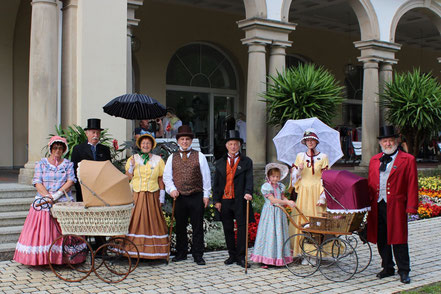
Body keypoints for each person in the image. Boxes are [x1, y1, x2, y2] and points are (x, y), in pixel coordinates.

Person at [14, 136, 77, 265]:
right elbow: (37, 182)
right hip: (44, 199)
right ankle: (42, 257)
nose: (57, 151)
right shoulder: (41, 164)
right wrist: (48, 196)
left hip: (62, 199)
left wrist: (57, 195)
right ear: (51, 149)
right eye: (55, 148)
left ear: (64, 149)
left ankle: (63, 257)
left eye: (60, 148)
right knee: (42, 223)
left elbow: (70, 180)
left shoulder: (68, 164)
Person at [367, 126, 418, 284]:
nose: (388, 143)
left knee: (399, 238)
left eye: (390, 140)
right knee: (382, 237)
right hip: (378, 204)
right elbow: (370, 183)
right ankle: (387, 267)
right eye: (384, 141)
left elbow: (412, 184)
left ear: (396, 141)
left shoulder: (408, 159)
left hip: (396, 205)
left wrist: (411, 207)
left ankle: (404, 270)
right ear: (381, 143)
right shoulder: (374, 160)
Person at [163, 125, 211, 265]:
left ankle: (198, 255)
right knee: (180, 226)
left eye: (187, 139)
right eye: (182, 139)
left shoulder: (200, 156)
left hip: (196, 195)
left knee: (197, 226)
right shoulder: (172, 157)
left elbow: (206, 176)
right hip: (180, 197)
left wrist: (206, 195)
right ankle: (181, 253)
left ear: (191, 141)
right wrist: (171, 189)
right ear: (178, 141)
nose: (185, 142)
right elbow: (167, 177)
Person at [213, 130, 254, 268]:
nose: (233, 147)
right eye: (230, 144)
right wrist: (216, 200)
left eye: (236, 144)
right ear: (226, 146)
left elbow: (249, 179)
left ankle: (241, 257)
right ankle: (232, 255)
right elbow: (217, 183)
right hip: (225, 200)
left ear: (240, 145)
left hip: (240, 199)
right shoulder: (219, 163)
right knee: (228, 228)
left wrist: (248, 192)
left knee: (242, 228)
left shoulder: (247, 162)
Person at [125, 133, 169, 260]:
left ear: (152, 146)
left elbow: (161, 178)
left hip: (152, 195)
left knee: (153, 221)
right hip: (136, 195)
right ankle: (132, 250)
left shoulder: (158, 160)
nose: (145, 145)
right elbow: (128, 177)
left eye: (148, 143)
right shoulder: (133, 158)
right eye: (143, 143)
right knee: (134, 221)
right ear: (140, 145)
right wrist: (132, 166)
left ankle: (154, 251)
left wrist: (162, 195)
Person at [288, 128, 329, 259]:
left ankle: (317, 253)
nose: (310, 142)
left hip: (317, 191)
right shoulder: (300, 156)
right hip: (304, 192)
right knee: (303, 219)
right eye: (307, 140)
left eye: (312, 140)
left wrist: (323, 196)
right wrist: (298, 170)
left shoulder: (323, 157)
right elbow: (294, 180)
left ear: (316, 141)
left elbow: (326, 178)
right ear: (304, 142)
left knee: (317, 220)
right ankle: (302, 253)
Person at [250, 163, 295, 268]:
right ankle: (266, 258)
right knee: (270, 233)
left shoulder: (280, 186)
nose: (275, 178)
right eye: (273, 176)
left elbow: (282, 197)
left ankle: (280, 257)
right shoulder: (266, 187)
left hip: (279, 212)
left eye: (277, 176)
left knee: (279, 233)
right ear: (269, 176)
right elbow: (273, 200)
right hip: (270, 213)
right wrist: (287, 203)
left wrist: (289, 201)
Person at [71, 118, 111, 202]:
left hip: (101, 189)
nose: (95, 135)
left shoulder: (105, 149)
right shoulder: (78, 149)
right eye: (93, 132)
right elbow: (74, 169)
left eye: (97, 133)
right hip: (84, 188)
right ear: (87, 133)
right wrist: (80, 187)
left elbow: (108, 169)